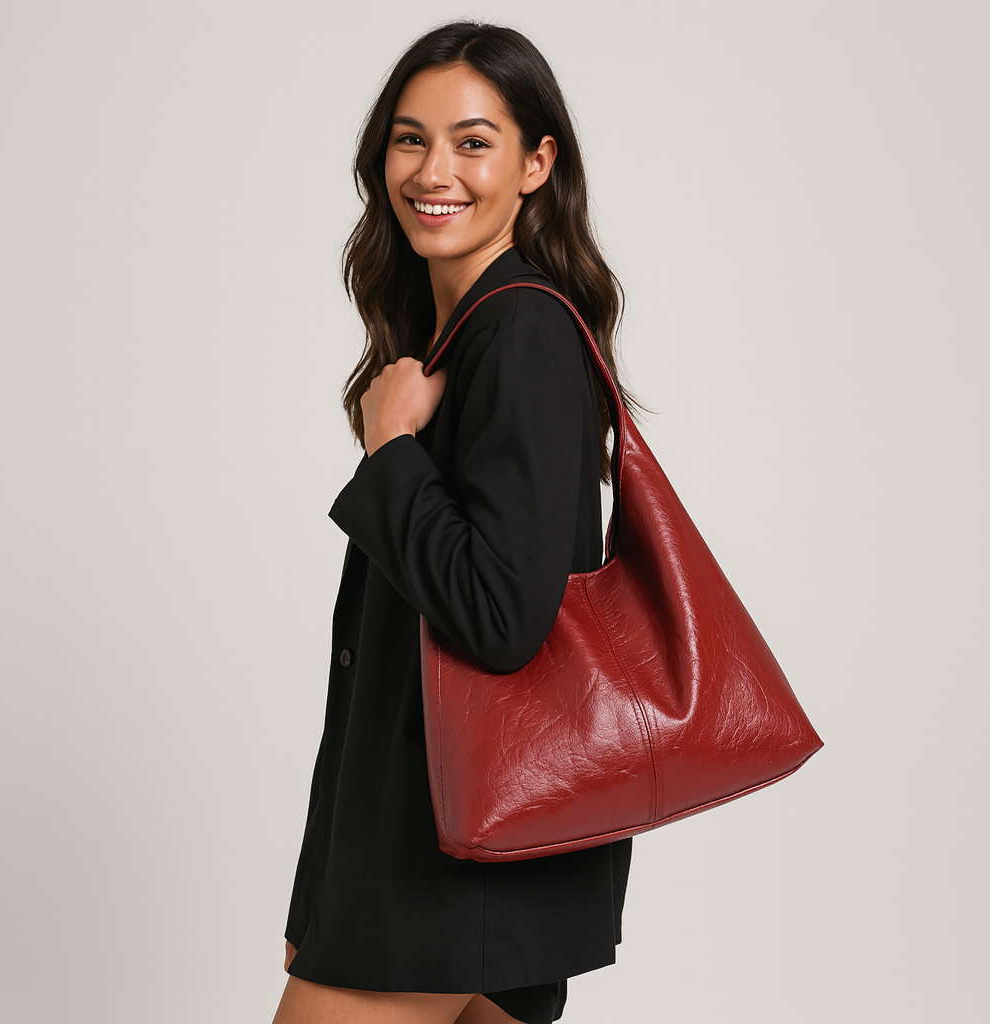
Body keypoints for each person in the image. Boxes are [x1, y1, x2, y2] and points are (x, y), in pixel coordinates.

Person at [273, 21, 637, 1024]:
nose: (434, 170)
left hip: (449, 858)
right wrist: (321, 890)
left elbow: (499, 616)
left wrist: (390, 453)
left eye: (473, 141)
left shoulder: (517, 329)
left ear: (535, 162)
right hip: (454, 851)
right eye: (408, 138)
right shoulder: (458, 336)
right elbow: (376, 665)